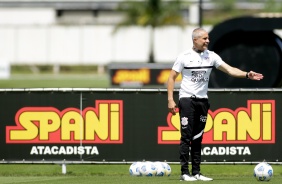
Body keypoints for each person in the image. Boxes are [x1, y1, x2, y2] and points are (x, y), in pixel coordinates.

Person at [167, 28, 264, 181]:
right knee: (186, 137)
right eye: (204, 38)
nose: (207, 41)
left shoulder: (211, 56)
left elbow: (230, 70)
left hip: (203, 101)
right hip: (187, 100)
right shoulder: (184, 57)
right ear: (195, 40)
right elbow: (171, 78)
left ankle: (197, 173)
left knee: (198, 137)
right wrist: (170, 100)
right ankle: (185, 173)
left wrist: (247, 75)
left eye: (208, 38)